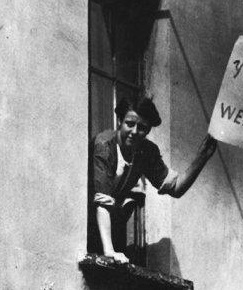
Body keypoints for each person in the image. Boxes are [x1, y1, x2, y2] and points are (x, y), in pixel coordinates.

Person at [88, 96, 217, 263]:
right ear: (120, 121)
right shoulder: (104, 145)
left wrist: (202, 157)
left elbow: (176, 187)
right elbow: (102, 202)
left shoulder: (145, 151)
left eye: (142, 128)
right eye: (130, 124)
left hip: (111, 229)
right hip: (86, 223)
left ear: (148, 131)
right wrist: (109, 251)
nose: (134, 132)